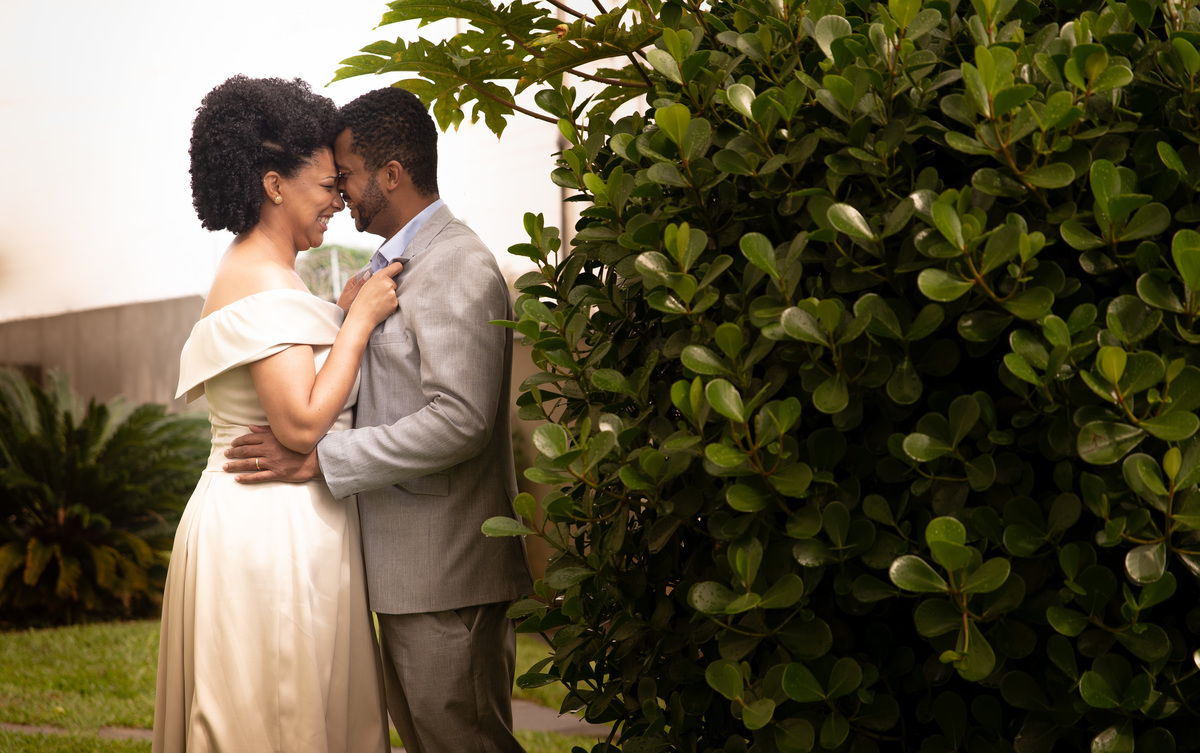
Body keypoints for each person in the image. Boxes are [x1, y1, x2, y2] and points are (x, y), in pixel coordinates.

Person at [221, 86, 535, 753]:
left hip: (445, 575)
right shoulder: (390, 265)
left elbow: (461, 420)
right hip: (406, 574)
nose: (340, 192)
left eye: (349, 175)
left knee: (463, 740)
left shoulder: (458, 265)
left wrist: (324, 457)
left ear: (391, 175)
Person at [152, 75, 400, 753]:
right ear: (273, 185)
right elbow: (298, 423)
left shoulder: (263, 270)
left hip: (264, 523)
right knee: (278, 717)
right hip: (266, 537)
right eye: (325, 184)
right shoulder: (262, 277)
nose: (337, 200)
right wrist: (359, 323)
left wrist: (341, 315)